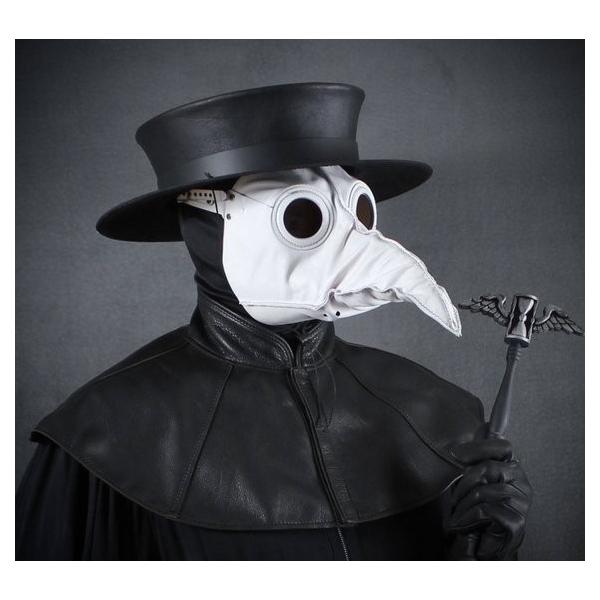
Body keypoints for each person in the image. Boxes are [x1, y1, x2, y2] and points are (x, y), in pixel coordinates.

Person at [16, 83, 531, 560]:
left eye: (358, 211)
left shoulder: (438, 413)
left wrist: (484, 560)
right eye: (302, 216)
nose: (351, 243)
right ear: (206, 228)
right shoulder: (103, 435)